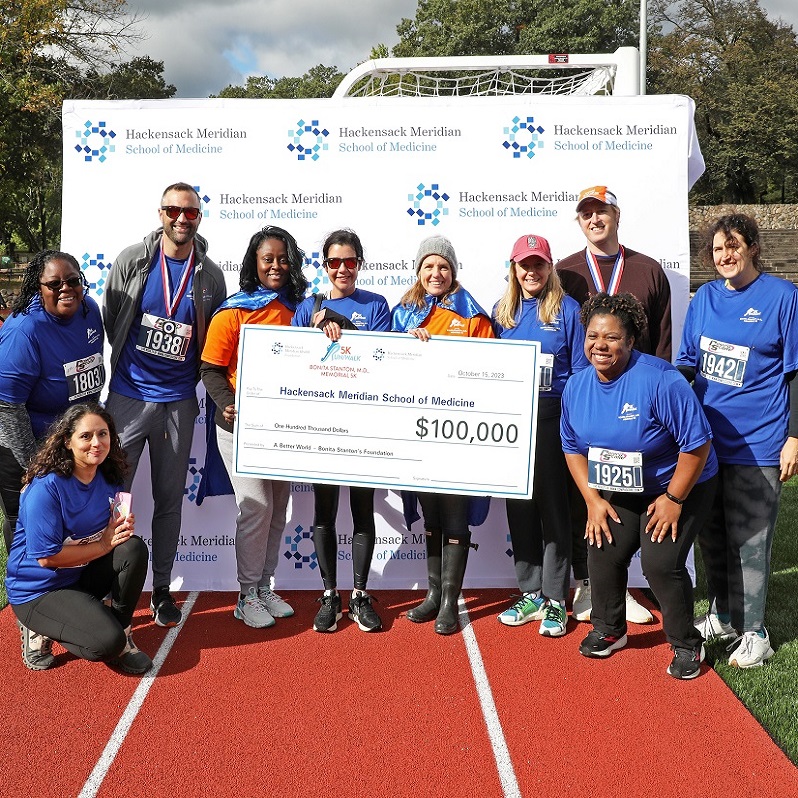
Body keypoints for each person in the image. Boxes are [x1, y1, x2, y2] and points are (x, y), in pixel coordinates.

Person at [560, 293, 718, 679]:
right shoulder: (576, 386)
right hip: (627, 488)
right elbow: (571, 447)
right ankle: (609, 629)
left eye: (612, 337)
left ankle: (687, 644)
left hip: (682, 483)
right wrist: (592, 500)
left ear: (631, 342)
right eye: (593, 336)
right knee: (602, 546)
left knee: (660, 563)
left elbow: (697, 445)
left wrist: (674, 498)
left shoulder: (661, 381)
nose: (600, 345)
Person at [676, 213, 798, 667]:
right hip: (708, 444)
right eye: (717, 249)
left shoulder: (782, 297)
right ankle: (724, 615)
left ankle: (755, 632)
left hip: (760, 442)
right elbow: (688, 363)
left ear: (753, 248)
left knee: (750, 541)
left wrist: (794, 437)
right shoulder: (705, 298)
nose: (725, 256)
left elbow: (795, 372)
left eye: (733, 246)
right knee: (712, 537)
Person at [103, 182, 226, 628]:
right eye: (173, 210)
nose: (181, 219)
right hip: (128, 397)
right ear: (161, 214)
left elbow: (214, 336)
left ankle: (160, 590)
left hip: (179, 402)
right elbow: (112, 316)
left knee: (169, 499)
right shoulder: (132, 260)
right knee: (115, 496)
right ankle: (112, 588)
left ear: (199, 218)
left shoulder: (210, 275)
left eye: (190, 212)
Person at [558, 186, 673, 625]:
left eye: (602, 211)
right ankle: (592, 585)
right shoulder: (564, 272)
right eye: (586, 213)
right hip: (589, 401)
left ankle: (624, 587)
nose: (594, 219)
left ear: (617, 215)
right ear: (579, 221)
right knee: (588, 497)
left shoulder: (648, 270)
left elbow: (662, 343)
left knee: (628, 494)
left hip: (638, 406)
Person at [200, 226, 308, 628]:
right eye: (268, 259)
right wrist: (228, 403)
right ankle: (246, 596)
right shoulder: (234, 311)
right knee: (256, 509)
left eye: (282, 259)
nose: (276, 266)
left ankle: (264, 586)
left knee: (277, 510)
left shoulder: (301, 310)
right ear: (254, 263)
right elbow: (210, 369)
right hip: (241, 429)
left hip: (284, 429)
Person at [391, 235, 494, 635]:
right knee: (431, 515)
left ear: (453, 272)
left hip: (458, 436)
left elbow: (490, 372)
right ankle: (434, 594)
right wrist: (407, 347)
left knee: (454, 516)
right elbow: (385, 366)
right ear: (418, 270)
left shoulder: (473, 317)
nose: (436, 273)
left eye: (443, 267)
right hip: (417, 434)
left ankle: (451, 600)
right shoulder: (403, 314)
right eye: (428, 266)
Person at [291, 229, 391, 633]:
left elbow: (382, 359)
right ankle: (330, 594)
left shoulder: (376, 304)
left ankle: (360, 595)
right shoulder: (308, 307)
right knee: (324, 513)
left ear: (360, 264)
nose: (342, 269)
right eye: (334, 262)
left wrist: (342, 326)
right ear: (325, 266)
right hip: (323, 426)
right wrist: (313, 333)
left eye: (350, 261)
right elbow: (290, 361)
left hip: (364, 425)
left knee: (363, 510)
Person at [4, 403, 151, 674]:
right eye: (86, 436)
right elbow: (47, 558)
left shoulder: (109, 476)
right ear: (67, 441)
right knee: (105, 643)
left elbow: (109, 534)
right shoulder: (46, 489)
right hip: (39, 590)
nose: (96, 443)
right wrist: (104, 544)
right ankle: (37, 626)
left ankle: (122, 632)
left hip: (79, 576)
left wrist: (117, 529)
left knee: (132, 549)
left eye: (103, 434)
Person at [491, 234, 588, 637]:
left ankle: (555, 599)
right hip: (514, 424)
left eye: (538, 264)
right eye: (524, 265)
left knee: (554, 511)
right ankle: (530, 592)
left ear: (550, 267)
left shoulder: (568, 310)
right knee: (521, 510)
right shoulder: (502, 311)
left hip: (552, 420)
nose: (531, 271)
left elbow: (581, 373)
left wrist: (573, 426)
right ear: (513, 268)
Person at [0, 250, 104, 555]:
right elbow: (8, 408)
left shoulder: (90, 310)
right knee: (29, 523)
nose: (65, 289)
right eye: (54, 284)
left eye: (73, 281)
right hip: (24, 444)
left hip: (72, 442)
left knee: (72, 524)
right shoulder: (24, 330)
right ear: (38, 287)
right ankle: (27, 583)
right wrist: (37, 466)